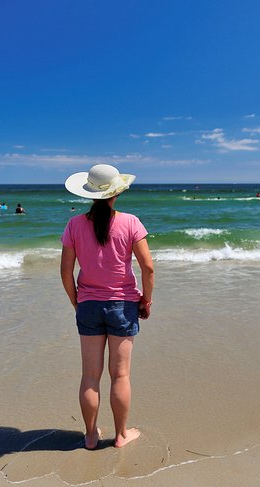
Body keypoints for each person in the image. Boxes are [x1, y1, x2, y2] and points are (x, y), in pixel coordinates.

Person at [61, 164, 154, 450]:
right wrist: (146, 300)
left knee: (90, 375)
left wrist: (77, 300)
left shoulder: (75, 224)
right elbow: (148, 268)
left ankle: (90, 435)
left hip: (89, 305)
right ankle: (121, 435)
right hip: (123, 304)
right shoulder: (130, 222)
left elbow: (66, 272)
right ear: (117, 192)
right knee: (120, 375)